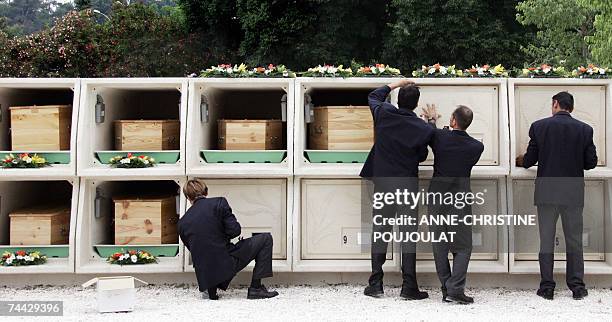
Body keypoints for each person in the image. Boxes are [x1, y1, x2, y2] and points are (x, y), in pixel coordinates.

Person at [516, 91, 597, 301]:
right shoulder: (585, 130)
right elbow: (591, 163)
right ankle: (577, 287)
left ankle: (547, 287)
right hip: (573, 193)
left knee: (546, 240)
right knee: (574, 240)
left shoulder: (539, 127)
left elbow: (529, 161)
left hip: (547, 192)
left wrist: (520, 160)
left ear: (555, 104)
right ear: (571, 107)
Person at [361, 80, 434, 300]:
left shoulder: (384, 113)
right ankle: (409, 287)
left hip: (383, 182)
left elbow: (374, 96)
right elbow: (422, 155)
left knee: (380, 230)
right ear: (416, 104)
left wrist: (397, 83)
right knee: (408, 235)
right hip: (407, 185)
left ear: (398, 100)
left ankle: (376, 284)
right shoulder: (423, 128)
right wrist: (430, 121)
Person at [421, 104, 484, 304]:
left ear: (453, 121)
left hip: (437, 195)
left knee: (439, 245)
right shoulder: (477, 146)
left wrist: (432, 120)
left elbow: (431, 132)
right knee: (463, 246)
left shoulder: (440, 136)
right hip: (459, 197)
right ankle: (455, 290)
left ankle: (447, 288)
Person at [178, 179, 279, 300]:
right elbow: (235, 230)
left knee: (208, 255)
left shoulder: (182, 223)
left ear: (188, 197)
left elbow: (196, 248)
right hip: (227, 262)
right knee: (265, 239)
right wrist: (220, 236)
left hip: (206, 276)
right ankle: (256, 289)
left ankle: (211, 290)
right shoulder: (219, 203)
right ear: (206, 192)